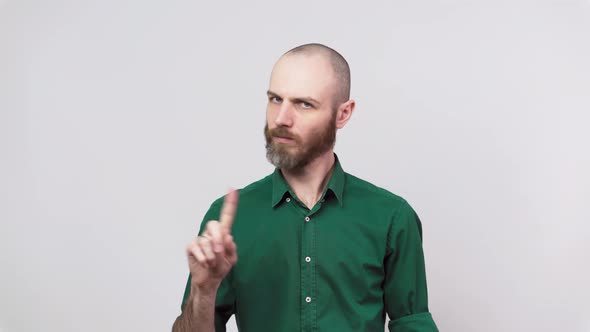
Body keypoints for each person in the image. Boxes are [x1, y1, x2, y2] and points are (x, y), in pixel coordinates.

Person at [172, 43, 438, 332]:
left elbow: (413, 324)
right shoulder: (229, 216)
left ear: (343, 114)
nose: (281, 119)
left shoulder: (391, 217)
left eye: (304, 104)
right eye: (276, 99)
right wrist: (204, 290)